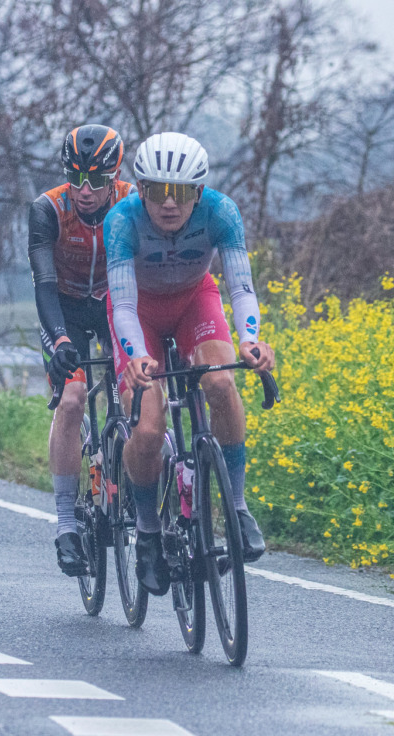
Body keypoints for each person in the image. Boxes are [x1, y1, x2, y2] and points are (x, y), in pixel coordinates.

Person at [104, 131, 276, 596]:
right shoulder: (121, 221)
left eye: (180, 192)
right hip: (138, 311)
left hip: (194, 301)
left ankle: (237, 507)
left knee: (221, 383)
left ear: (198, 192)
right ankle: (147, 532)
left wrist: (251, 340)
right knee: (148, 428)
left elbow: (241, 287)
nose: (168, 203)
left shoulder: (221, 212)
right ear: (141, 189)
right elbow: (122, 305)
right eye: (158, 190)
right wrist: (137, 355)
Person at [28, 124, 134, 577]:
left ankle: (130, 473)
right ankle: (67, 526)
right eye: (75, 177)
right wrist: (62, 342)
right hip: (64, 308)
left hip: (114, 303)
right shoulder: (48, 209)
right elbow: (43, 284)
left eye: (95, 180)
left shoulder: (132, 204)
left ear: (115, 176)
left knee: (134, 392)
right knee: (72, 399)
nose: (84, 190)